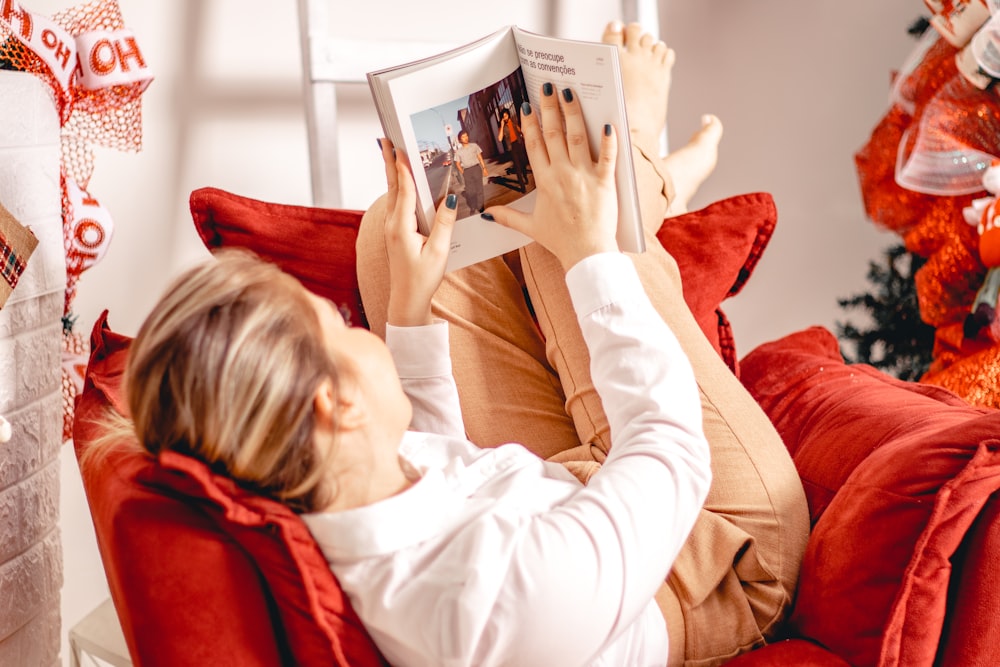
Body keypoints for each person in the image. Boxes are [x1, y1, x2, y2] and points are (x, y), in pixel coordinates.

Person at [357, 21, 809, 666]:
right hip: (709, 554)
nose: (349, 334)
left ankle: (644, 182)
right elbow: (669, 445)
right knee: (563, 215)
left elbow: (438, 467)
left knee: (394, 228)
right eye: (334, 342)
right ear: (333, 405)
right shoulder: (512, 615)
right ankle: (646, 165)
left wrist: (409, 304)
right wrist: (590, 251)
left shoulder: (342, 499)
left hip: (561, 503)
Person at [454, 129, 488, 212]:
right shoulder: (458, 152)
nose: (465, 138)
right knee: (470, 191)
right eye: (463, 137)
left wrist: (484, 168)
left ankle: (480, 206)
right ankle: (473, 206)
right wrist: (463, 172)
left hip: (476, 168)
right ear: (460, 140)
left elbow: (480, 157)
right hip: (467, 171)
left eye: (466, 136)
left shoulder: (474, 146)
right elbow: (457, 164)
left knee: (479, 189)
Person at [497, 105, 530, 190]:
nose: (505, 117)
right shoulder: (502, 128)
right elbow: (500, 139)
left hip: (518, 143)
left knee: (523, 163)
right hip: (511, 147)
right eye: (503, 116)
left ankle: (525, 176)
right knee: (517, 166)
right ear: (502, 118)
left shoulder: (513, 121)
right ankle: (522, 187)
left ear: (508, 115)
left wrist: (523, 135)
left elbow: (520, 130)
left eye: (506, 115)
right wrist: (502, 125)